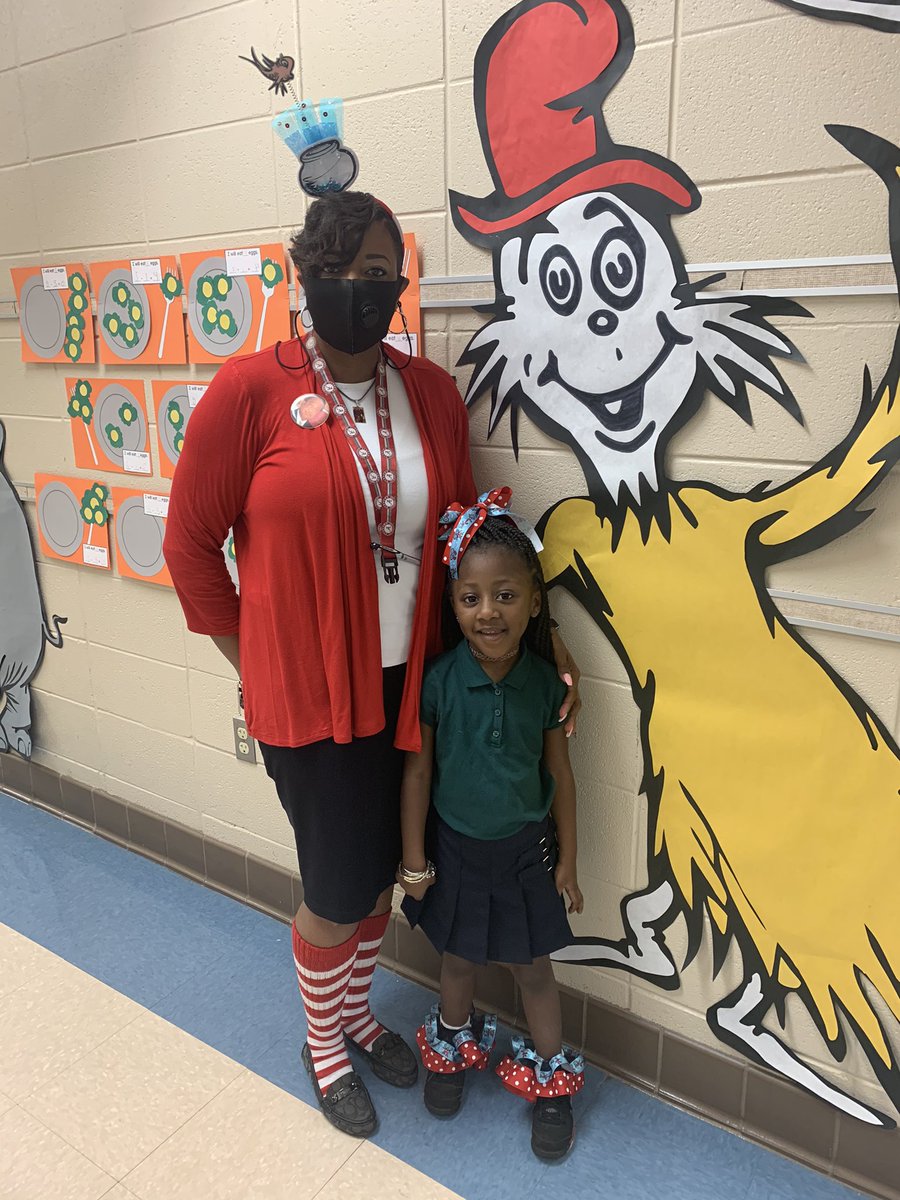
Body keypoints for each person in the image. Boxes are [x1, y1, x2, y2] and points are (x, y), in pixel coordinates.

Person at [164, 193, 581, 1139]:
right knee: (336, 885)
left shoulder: (428, 393)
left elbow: (480, 546)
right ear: (305, 276)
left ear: (401, 280)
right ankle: (323, 1044)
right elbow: (190, 545)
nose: (365, 289)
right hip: (309, 696)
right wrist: (252, 658)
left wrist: (542, 646)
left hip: (416, 688)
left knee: (394, 873)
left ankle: (356, 1013)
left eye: (382, 272)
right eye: (343, 271)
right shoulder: (249, 392)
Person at [397, 493, 585, 1161]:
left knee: (533, 971)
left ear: (533, 602)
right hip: (454, 852)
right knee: (456, 960)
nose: (487, 612)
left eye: (504, 595)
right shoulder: (440, 683)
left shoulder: (546, 685)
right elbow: (417, 777)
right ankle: (450, 1051)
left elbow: (561, 775)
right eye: (470, 598)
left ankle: (552, 1083)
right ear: (453, 606)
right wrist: (414, 861)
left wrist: (566, 861)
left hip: (526, 855)